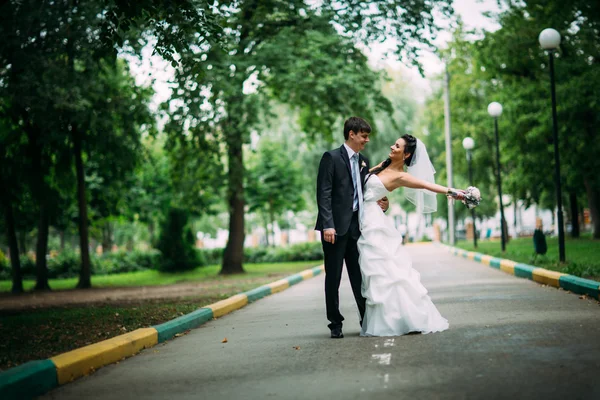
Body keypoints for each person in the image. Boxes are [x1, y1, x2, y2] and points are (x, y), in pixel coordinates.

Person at [358, 134, 477, 337]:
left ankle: (400, 319)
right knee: (378, 272)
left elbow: (426, 185)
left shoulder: (401, 176)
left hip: (373, 223)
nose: (392, 146)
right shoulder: (381, 166)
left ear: (406, 154)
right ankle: (390, 318)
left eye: (397, 146)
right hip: (366, 216)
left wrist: (455, 192)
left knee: (385, 271)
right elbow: (360, 185)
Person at [315, 116, 389, 339]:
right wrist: (328, 225)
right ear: (352, 134)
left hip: (358, 229)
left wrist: (382, 203)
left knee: (361, 277)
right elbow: (324, 193)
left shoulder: (363, 160)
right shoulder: (331, 158)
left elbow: (366, 191)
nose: (366, 140)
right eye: (364, 136)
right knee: (334, 277)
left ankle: (366, 320)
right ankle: (335, 323)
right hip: (335, 230)